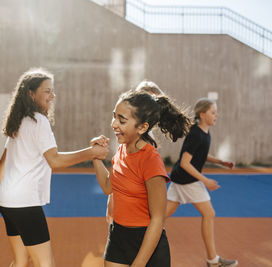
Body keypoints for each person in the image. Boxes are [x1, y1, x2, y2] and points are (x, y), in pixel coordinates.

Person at [0, 68, 109, 267]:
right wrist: (92, 152)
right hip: (24, 203)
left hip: (6, 201)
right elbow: (55, 160)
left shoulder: (19, 121)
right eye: (47, 91)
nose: (52, 96)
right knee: (45, 264)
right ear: (31, 93)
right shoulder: (38, 121)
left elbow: (5, 158)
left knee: (21, 260)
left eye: (52, 91)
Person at [92, 90, 191, 267]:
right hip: (118, 235)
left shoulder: (150, 160)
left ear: (142, 127)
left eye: (121, 120)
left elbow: (157, 219)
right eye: (114, 117)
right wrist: (96, 158)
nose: (114, 124)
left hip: (147, 243)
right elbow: (109, 187)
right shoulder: (122, 149)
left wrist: (139, 263)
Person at [165, 98, 237, 267]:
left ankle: (136, 239)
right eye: (213, 112)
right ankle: (212, 260)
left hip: (180, 179)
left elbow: (200, 155)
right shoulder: (196, 134)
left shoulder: (203, 133)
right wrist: (205, 180)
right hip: (187, 180)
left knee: (160, 217)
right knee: (209, 214)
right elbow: (185, 162)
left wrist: (220, 162)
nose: (216, 115)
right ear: (202, 114)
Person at [105, 79, 166, 224]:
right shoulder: (128, 140)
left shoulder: (147, 148)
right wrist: (111, 202)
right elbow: (118, 177)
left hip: (137, 219)